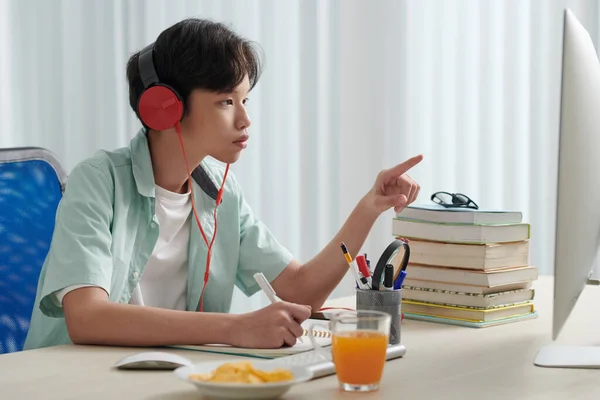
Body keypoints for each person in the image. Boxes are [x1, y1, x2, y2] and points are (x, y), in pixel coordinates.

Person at [23, 18, 422, 350]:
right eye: (226, 101)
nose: (245, 120)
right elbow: (87, 318)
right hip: (76, 381)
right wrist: (234, 328)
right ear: (166, 107)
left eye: (245, 100)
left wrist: (370, 206)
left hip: (168, 378)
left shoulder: (219, 193)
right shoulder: (99, 180)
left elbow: (299, 291)